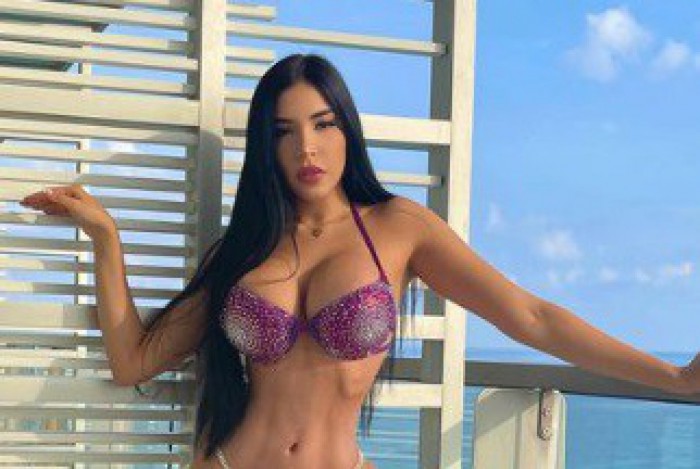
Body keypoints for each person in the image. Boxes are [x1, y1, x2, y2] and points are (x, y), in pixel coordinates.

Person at [18, 53, 699, 469]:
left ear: (347, 128)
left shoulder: (399, 229)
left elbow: (531, 316)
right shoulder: (243, 250)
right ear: (266, 148)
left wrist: (673, 377)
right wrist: (106, 236)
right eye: (284, 132)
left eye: (323, 124)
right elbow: (134, 361)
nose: (306, 149)